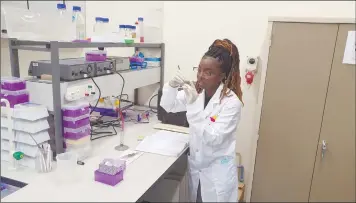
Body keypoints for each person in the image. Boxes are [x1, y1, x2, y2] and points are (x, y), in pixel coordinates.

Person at [160, 39, 243, 202]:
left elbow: (214, 138)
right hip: (197, 170)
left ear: (222, 76)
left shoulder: (231, 103)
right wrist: (171, 86)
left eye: (208, 72)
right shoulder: (198, 92)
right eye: (199, 70)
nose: (200, 76)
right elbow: (168, 105)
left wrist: (192, 107)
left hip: (216, 175)